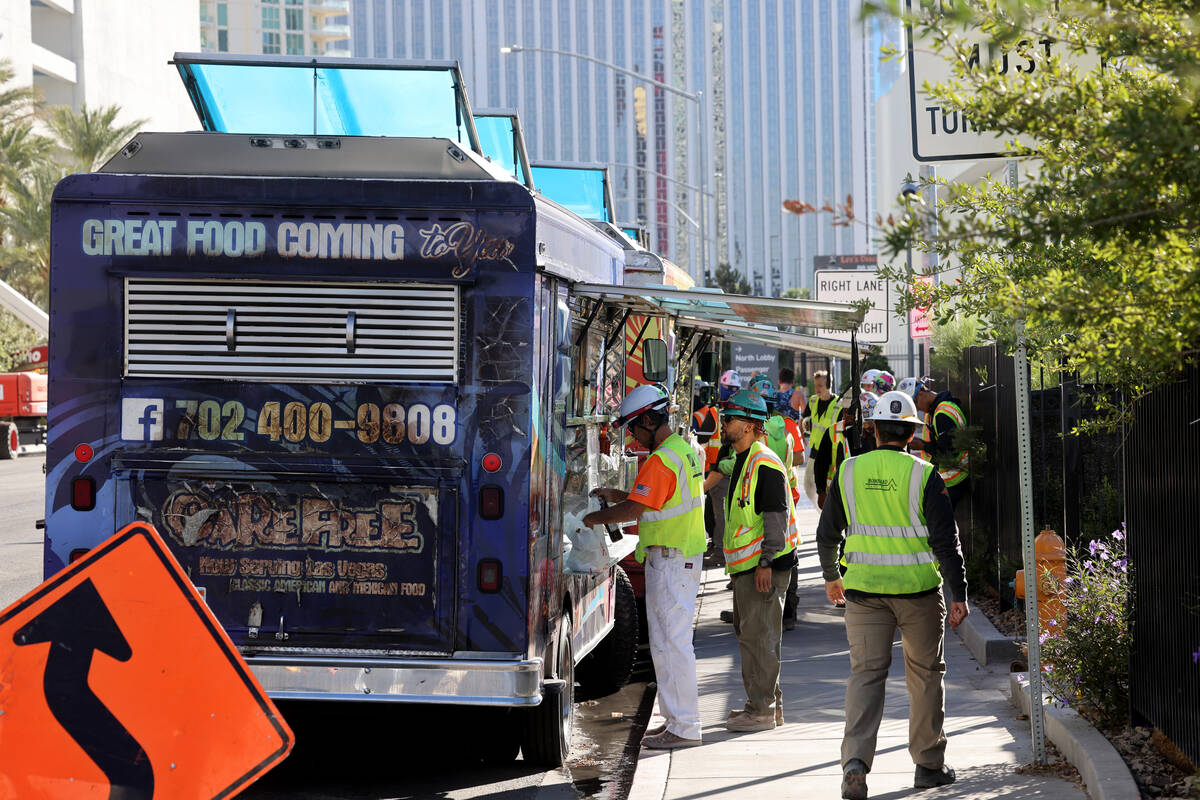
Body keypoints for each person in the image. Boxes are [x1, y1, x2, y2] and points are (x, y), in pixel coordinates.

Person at [816, 390, 969, 800]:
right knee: (924, 677)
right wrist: (959, 592)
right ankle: (928, 766)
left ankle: (855, 765)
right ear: (912, 433)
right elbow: (945, 541)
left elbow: (827, 532)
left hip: (864, 595)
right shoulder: (924, 474)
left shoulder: (848, 471)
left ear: (874, 429)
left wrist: (832, 576)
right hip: (918, 594)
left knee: (865, 676)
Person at [584, 384, 705, 750]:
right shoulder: (680, 452)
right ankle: (677, 722)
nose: (634, 436)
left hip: (672, 560)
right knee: (668, 644)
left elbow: (636, 511)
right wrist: (620, 495)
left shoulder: (661, 460)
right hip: (675, 558)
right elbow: (651, 500)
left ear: (650, 420)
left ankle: (684, 727)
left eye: (635, 427)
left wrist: (594, 517)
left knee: (673, 644)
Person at [718, 390, 801, 732]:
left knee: (761, 639)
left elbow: (775, 517)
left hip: (762, 567)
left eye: (731, 419)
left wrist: (766, 561)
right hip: (748, 567)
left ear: (751, 426)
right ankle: (761, 704)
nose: (725, 424)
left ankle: (763, 711)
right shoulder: (744, 458)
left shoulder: (763, 462)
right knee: (753, 637)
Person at [749, 375, 805, 630]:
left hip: (756, 500)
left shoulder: (751, 428)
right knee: (788, 552)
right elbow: (800, 459)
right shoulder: (788, 425)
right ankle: (789, 611)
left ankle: (761, 609)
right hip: (788, 497)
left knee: (763, 552)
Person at [910, 378, 970, 509]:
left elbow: (947, 453)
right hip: (947, 479)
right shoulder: (935, 411)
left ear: (921, 394)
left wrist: (922, 445)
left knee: (941, 525)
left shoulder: (943, 414)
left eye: (915, 404)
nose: (917, 409)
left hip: (953, 478)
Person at [803, 370, 840, 509]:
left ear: (829, 385)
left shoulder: (838, 405)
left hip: (830, 454)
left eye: (820, 385)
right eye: (815, 385)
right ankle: (821, 512)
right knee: (808, 486)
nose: (817, 389)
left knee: (826, 488)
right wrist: (802, 430)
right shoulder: (813, 401)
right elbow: (804, 419)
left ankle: (826, 512)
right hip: (814, 452)